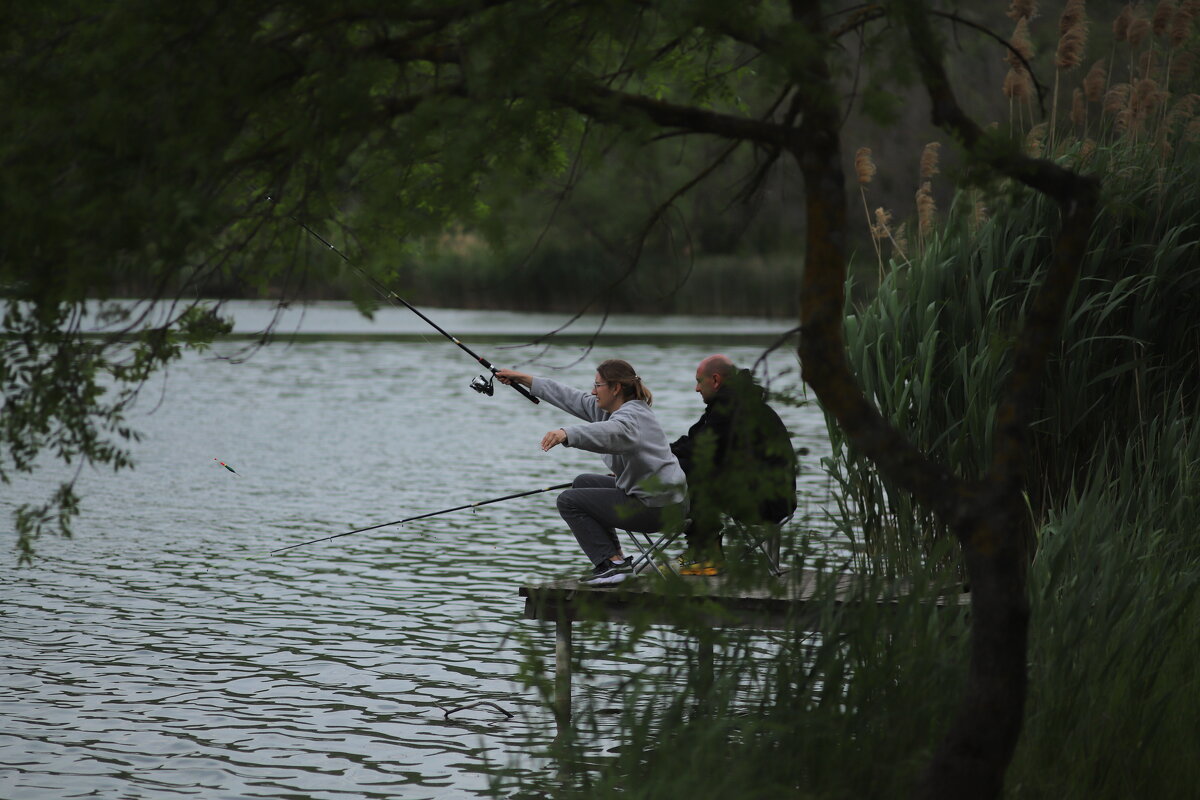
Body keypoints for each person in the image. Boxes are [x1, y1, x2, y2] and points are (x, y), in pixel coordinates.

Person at [496, 360, 688, 586]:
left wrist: (566, 433)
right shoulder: (618, 410)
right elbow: (570, 397)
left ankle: (611, 566)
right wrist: (523, 379)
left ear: (615, 388)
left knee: (568, 501)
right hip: (662, 499)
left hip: (658, 509)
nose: (593, 391)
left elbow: (611, 433)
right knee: (582, 482)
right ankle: (617, 560)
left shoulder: (630, 417)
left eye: (598, 386)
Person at [670, 354, 797, 575]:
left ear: (716, 380)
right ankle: (700, 550)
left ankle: (707, 553)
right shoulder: (730, 405)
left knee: (692, 471)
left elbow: (699, 450)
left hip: (768, 501)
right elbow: (692, 440)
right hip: (769, 494)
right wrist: (657, 456)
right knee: (688, 467)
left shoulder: (732, 409)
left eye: (699, 381)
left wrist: (657, 464)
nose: (696, 389)